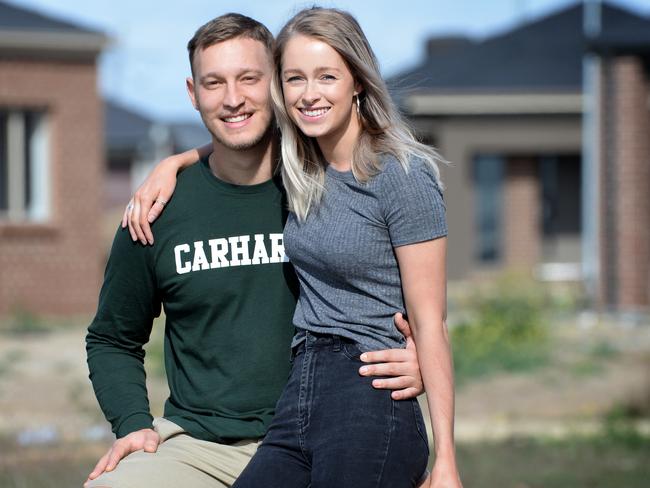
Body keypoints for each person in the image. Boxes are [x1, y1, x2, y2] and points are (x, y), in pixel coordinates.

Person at [85, 13, 425, 488]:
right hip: (196, 444)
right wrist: (132, 424)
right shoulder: (156, 209)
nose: (232, 99)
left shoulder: (326, 185)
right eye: (214, 83)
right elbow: (112, 338)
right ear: (192, 93)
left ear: (278, 87)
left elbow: (415, 299)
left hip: (325, 430)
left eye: (249, 78)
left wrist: (418, 358)